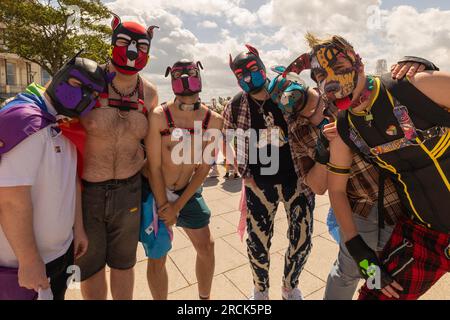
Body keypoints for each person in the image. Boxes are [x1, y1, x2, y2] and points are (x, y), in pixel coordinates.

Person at [267, 55, 432, 299]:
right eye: (284, 101)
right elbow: (316, 186)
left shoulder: (341, 95)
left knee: (391, 269)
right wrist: (324, 154)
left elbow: (384, 89)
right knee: (352, 269)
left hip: (400, 199)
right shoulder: (298, 130)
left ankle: (374, 287)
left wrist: (419, 66)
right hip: (358, 209)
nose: (291, 101)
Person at [301, 33, 449, 300]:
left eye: (339, 67)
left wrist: (427, 72)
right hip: (427, 237)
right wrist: (358, 250)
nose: (330, 80)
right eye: (320, 75)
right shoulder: (345, 127)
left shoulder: (412, 85)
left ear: (359, 63)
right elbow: (335, 190)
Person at [0, 55, 107, 300]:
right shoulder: (23, 121)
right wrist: (29, 261)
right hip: (21, 265)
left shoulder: (64, 123)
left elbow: (71, 182)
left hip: (60, 253)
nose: (83, 97)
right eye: (78, 85)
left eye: (92, 93)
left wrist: (77, 229)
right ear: (61, 75)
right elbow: (10, 200)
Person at [76, 14, 159, 300]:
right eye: (125, 42)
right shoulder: (86, 81)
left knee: (125, 264)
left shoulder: (149, 94)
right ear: (113, 41)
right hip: (88, 193)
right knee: (90, 267)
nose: (134, 51)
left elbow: (155, 149)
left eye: (141, 46)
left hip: (129, 191)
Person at [223, 45, 315, 300]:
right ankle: (260, 289)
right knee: (258, 241)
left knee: (303, 237)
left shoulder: (286, 93)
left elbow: (312, 117)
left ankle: (289, 285)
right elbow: (231, 138)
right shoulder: (236, 104)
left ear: (262, 66)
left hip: (297, 178)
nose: (247, 77)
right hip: (259, 183)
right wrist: (244, 173)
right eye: (240, 73)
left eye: (252, 69)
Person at [146, 59, 223, 300]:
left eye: (190, 73)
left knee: (207, 246)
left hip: (187, 192)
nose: (185, 79)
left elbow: (202, 170)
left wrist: (177, 206)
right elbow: (154, 166)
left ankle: (204, 299)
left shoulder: (214, 120)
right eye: (178, 75)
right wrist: (163, 206)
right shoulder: (160, 116)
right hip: (156, 190)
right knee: (157, 256)